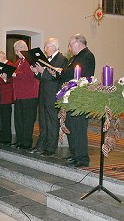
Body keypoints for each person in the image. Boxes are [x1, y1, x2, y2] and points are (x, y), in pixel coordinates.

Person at [55, 34, 95, 167]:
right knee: (71, 126)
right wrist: (59, 72)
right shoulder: (74, 57)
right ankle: (74, 154)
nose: (69, 47)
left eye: (71, 44)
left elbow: (76, 73)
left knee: (79, 128)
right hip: (70, 97)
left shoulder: (87, 56)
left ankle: (82, 158)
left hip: (80, 97)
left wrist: (62, 71)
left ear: (79, 43)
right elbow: (68, 72)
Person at [30, 38, 68, 156]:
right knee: (43, 120)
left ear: (54, 46)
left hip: (53, 94)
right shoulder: (46, 59)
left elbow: (57, 77)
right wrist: (37, 72)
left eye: (46, 47)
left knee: (52, 121)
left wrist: (43, 71)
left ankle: (51, 147)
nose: (45, 49)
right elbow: (44, 77)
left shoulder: (62, 59)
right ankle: (41, 145)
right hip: (44, 93)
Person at [12, 40, 39, 150]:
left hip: (29, 94)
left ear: (20, 50)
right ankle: (20, 140)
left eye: (16, 51)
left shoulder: (30, 59)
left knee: (28, 119)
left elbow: (29, 74)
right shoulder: (19, 61)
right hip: (19, 94)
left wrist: (15, 74)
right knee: (19, 119)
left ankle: (26, 142)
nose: (16, 53)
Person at [0, 51, 15, 145]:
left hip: (6, 96)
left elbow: (10, 79)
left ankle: (6, 138)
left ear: (2, 57)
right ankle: (1, 136)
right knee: (0, 118)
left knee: (6, 118)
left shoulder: (10, 65)